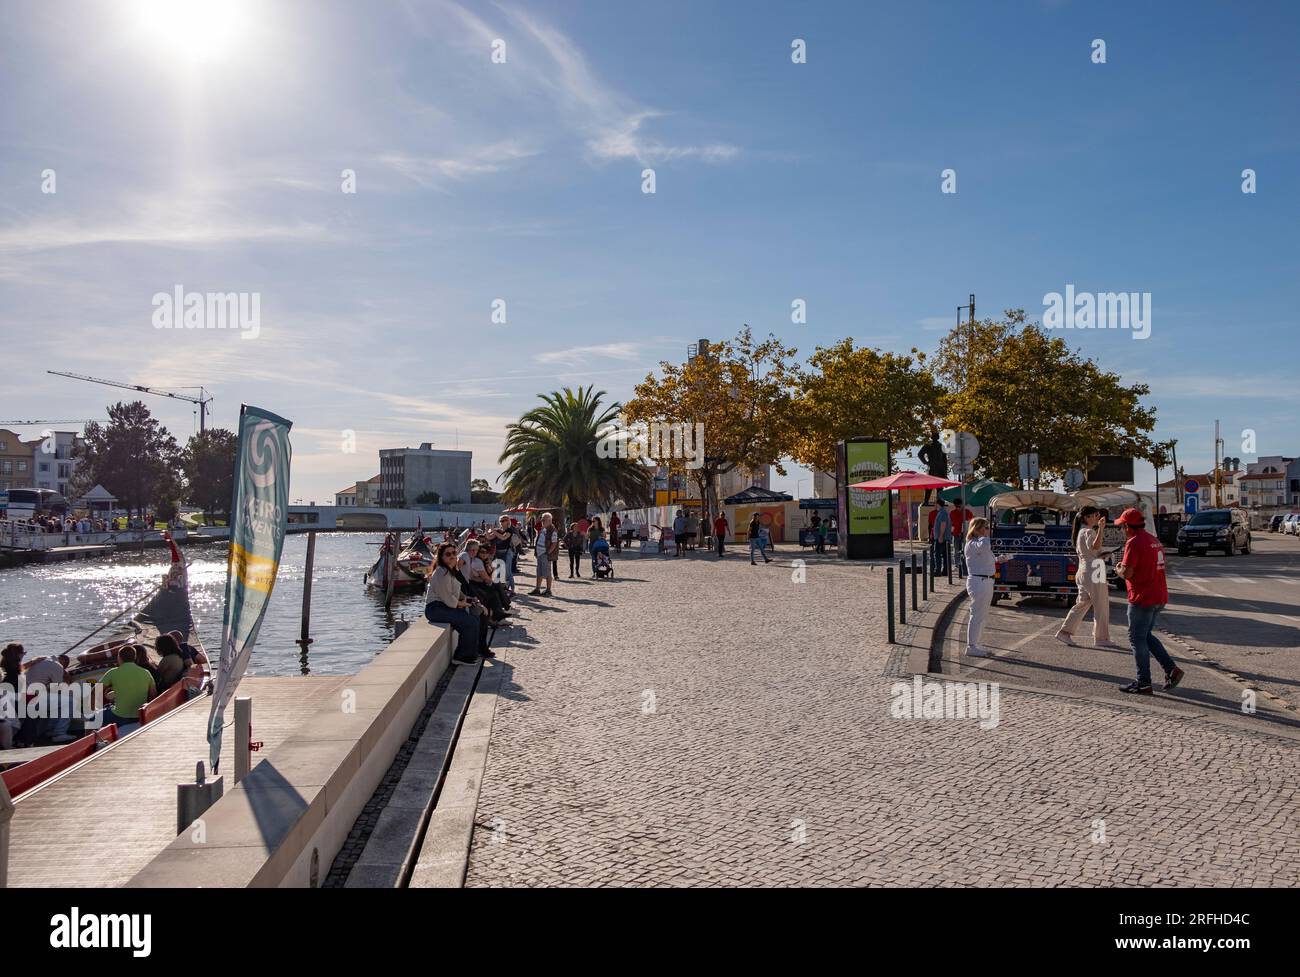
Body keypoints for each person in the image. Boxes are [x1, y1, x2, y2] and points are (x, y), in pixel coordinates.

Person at [1113, 508, 1184, 695]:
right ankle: (1171, 669)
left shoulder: (1134, 543)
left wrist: (1118, 569)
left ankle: (1143, 683)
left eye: (1122, 526)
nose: (1122, 529)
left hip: (1142, 597)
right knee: (1146, 636)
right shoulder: (1153, 540)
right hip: (1158, 595)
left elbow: (1127, 573)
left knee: (1136, 639)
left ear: (1128, 526)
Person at [1055, 506, 1115, 648]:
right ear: (1087, 517)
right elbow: (1095, 547)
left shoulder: (1081, 531)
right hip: (1094, 570)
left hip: (1084, 569)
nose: (1098, 517)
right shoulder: (1089, 531)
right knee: (1101, 605)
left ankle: (1065, 632)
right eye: (1095, 515)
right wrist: (1101, 528)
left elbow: (1091, 551)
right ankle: (1101, 638)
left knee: (1082, 603)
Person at [425, 543, 484, 664]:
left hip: (443, 606)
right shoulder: (442, 572)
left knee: (475, 618)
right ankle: (462, 657)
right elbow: (449, 600)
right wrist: (464, 604)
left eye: (454, 553)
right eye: (448, 554)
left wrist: (468, 599)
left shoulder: (450, 571)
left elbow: (456, 591)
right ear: (441, 557)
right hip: (435, 609)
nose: (452, 556)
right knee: (470, 622)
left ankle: (473, 652)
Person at [962, 517, 1008, 657]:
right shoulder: (974, 543)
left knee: (982, 615)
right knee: (976, 614)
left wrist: (997, 559)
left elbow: (984, 558)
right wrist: (982, 535)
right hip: (979, 581)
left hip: (986, 581)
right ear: (978, 529)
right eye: (986, 527)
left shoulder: (979, 543)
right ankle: (970, 646)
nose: (989, 530)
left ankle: (975, 643)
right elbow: (985, 546)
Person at [99, 645, 156, 730]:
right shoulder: (146, 672)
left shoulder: (113, 672)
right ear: (135, 657)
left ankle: (89, 742)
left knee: (91, 718)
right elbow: (153, 695)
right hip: (140, 715)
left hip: (119, 716)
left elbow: (95, 691)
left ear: (119, 657)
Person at [530, 512, 559, 596]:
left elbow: (554, 543)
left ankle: (548, 590)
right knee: (539, 572)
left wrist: (547, 553)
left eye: (544, 520)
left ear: (549, 520)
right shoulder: (544, 528)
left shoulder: (552, 530)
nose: (542, 521)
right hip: (540, 554)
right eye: (542, 520)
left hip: (545, 554)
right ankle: (537, 589)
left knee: (547, 572)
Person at [930, 500, 952, 575]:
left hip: (942, 538)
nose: (934, 506)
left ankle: (937, 571)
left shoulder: (942, 513)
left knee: (937, 554)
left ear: (937, 504)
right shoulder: (943, 512)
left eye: (934, 504)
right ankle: (945, 571)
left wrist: (940, 536)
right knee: (945, 555)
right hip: (944, 537)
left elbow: (943, 524)